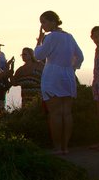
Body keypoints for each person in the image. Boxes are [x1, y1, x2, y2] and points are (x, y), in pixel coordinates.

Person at [34, 10, 84, 155]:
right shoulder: (69, 37)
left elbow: (38, 55)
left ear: (52, 22)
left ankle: (57, 147)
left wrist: (39, 41)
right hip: (68, 75)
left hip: (53, 75)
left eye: (44, 22)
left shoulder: (50, 38)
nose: (42, 26)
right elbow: (80, 56)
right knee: (66, 113)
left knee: (55, 113)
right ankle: (66, 147)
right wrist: (72, 68)